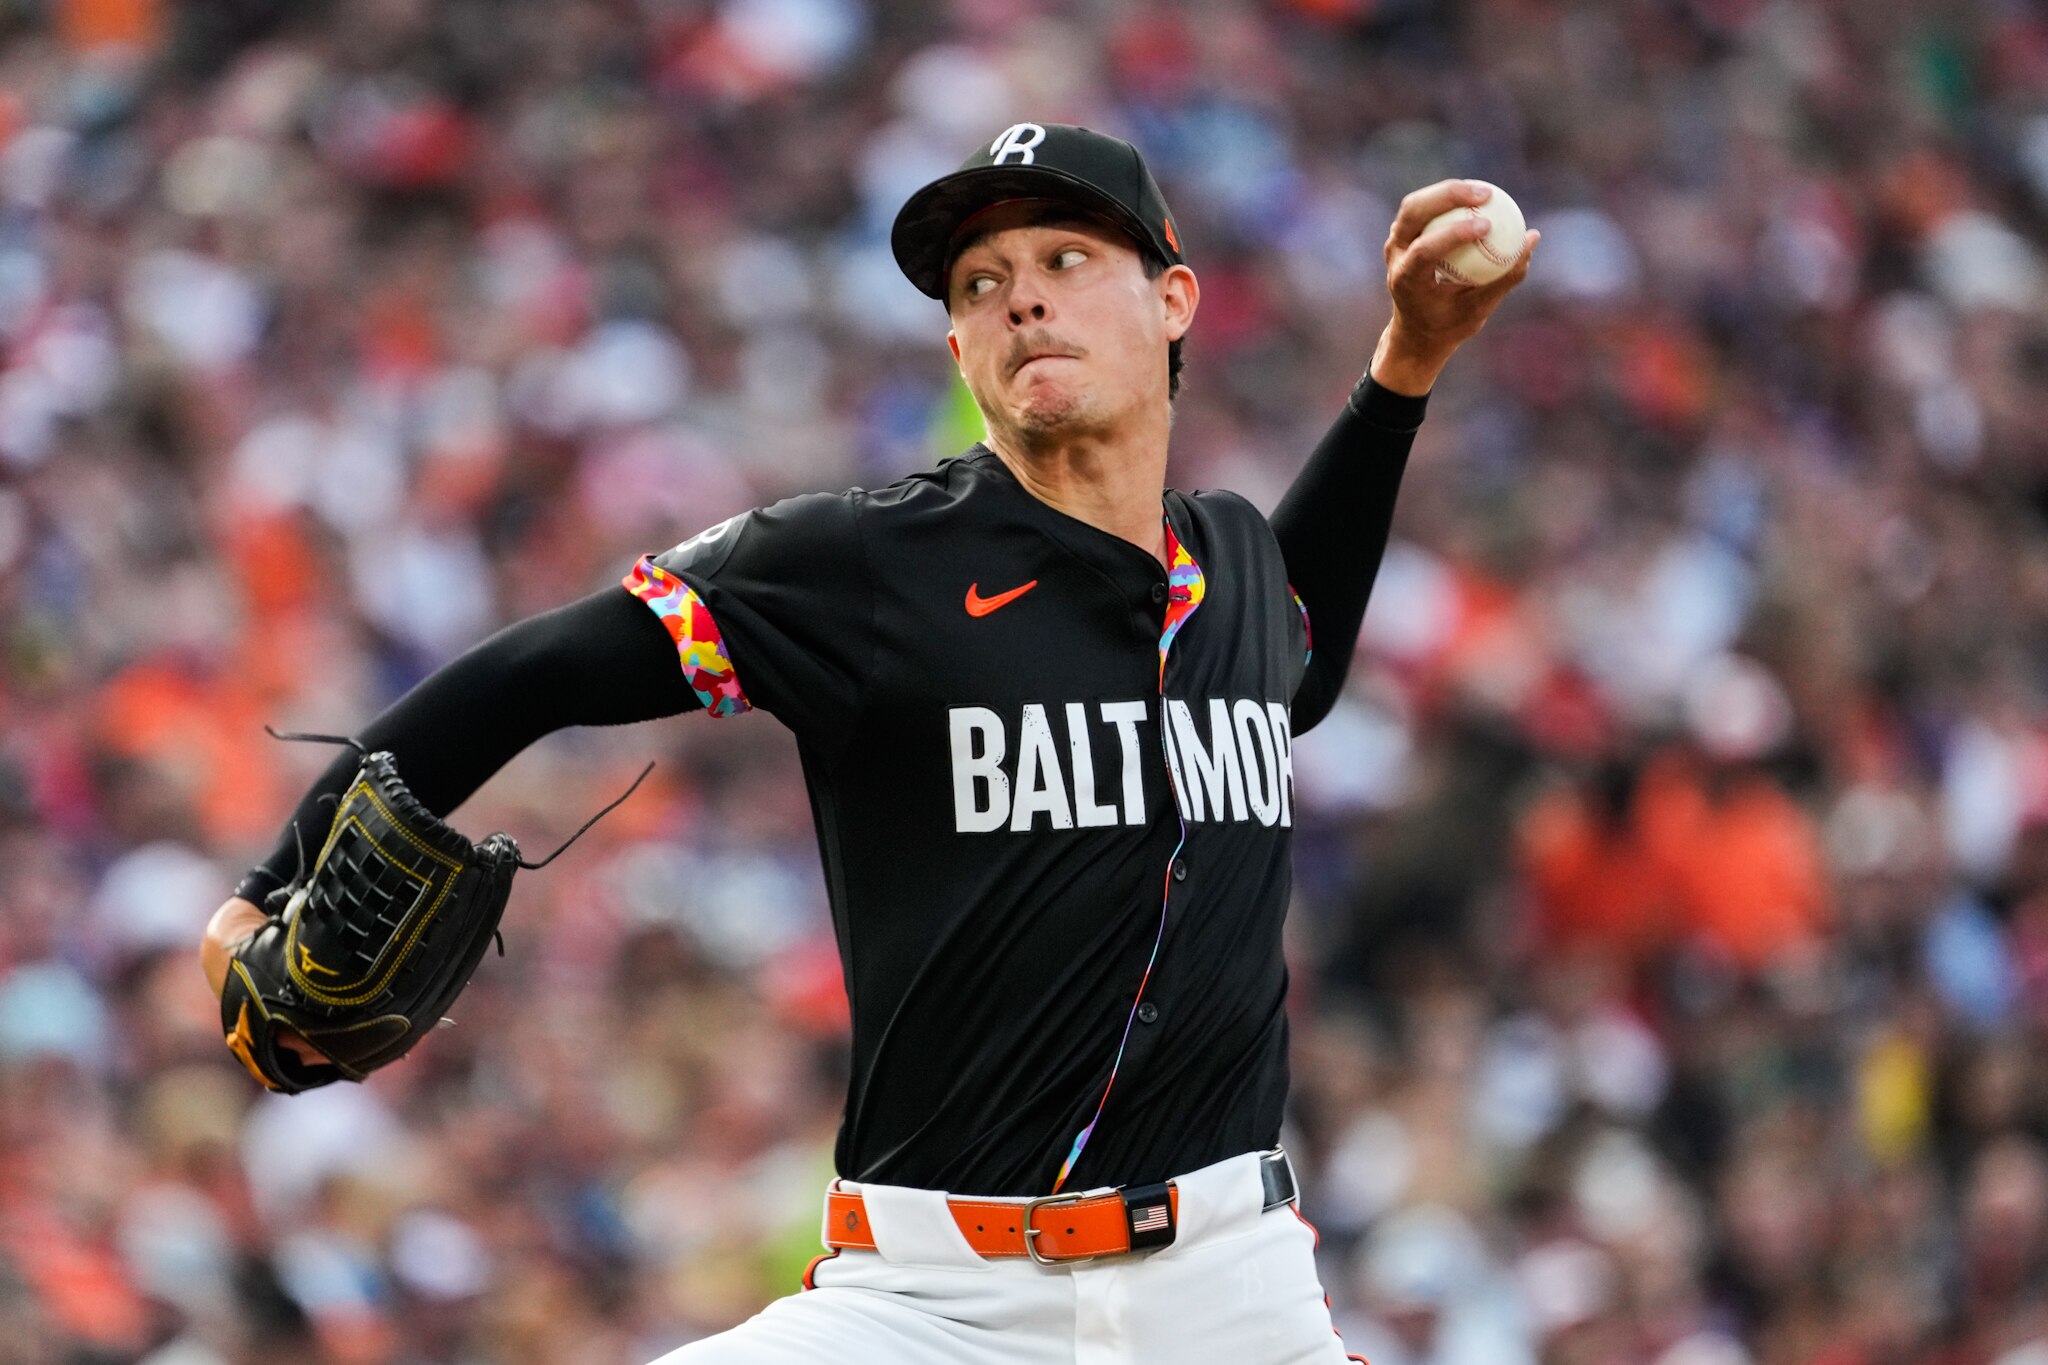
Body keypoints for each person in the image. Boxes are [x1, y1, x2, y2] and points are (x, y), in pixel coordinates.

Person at [200, 121, 1535, 1362]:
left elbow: (1301, 650)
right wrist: (269, 887)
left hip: (1231, 1290)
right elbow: (527, 673)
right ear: (961, 353)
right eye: (978, 284)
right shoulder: (868, 565)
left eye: (1067, 259)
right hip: (931, 1302)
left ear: (1173, 302)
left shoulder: (1237, 566)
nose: (1020, 298)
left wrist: (1407, 362)